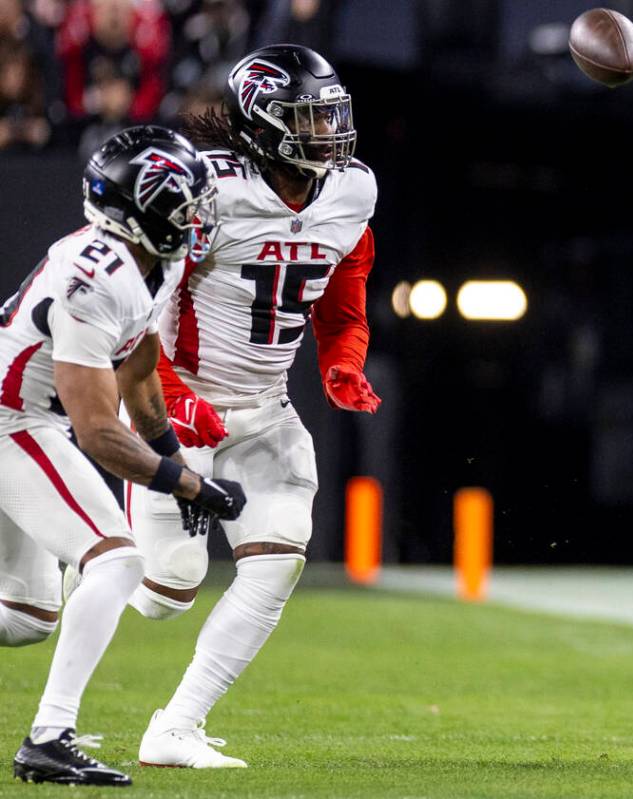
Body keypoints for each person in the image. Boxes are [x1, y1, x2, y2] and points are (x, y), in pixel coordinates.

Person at [125, 43, 379, 769]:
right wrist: (172, 403)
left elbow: (344, 280)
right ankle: (76, 558)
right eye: (310, 116)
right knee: (166, 588)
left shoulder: (351, 189)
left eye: (334, 113)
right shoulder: (207, 189)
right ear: (264, 124)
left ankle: (175, 726)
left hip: (266, 409)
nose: (329, 130)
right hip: (179, 404)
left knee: (276, 561)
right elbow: (141, 311)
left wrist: (342, 362)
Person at [1, 125, 246, 786]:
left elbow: (139, 376)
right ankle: (50, 737)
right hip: (13, 420)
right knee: (116, 559)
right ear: (138, 210)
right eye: (184, 203)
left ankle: (50, 734)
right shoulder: (95, 274)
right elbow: (95, 429)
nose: (198, 215)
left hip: (28, 421)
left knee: (24, 618)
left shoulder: (151, 263)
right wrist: (188, 484)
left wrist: (175, 463)